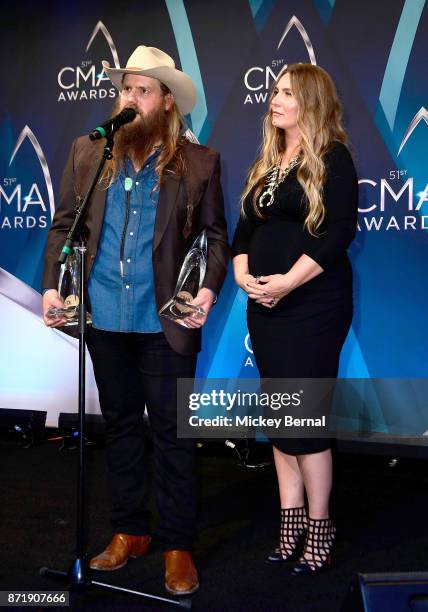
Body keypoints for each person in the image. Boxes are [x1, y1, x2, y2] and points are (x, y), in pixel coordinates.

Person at [42, 45, 229, 595]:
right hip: (103, 317)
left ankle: (176, 543)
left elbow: (215, 239)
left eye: (142, 90)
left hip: (164, 321)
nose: (129, 99)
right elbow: (63, 227)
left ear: (167, 102)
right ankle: (130, 530)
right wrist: (54, 287)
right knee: (121, 428)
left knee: (172, 435)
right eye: (125, 88)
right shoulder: (89, 152)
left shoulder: (200, 163)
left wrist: (209, 290)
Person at [232, 63, 358, 575]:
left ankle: (321, 523)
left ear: (310, 100)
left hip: (312, 307)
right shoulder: (267, 163)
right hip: (266, 309)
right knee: (280, 420)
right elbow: (242, 232)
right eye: (275, 90)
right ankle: (290, 520)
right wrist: (243, 274)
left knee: (304, 421)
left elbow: (335, 234)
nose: (275, 99)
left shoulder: (333, 158)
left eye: (286, 92)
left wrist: (287, 281)